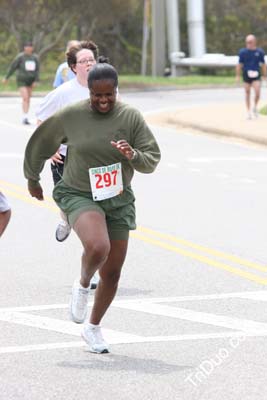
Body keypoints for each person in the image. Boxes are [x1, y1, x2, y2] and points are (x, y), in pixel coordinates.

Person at [24, 62, 161, 353]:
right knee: (99, 247)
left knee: (112, 273)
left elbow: (151, 158)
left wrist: (132, 154)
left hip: (118, 198)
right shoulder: (72, 116)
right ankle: (83, 282)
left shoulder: (131, 117)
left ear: (115, 90)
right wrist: (32, 178)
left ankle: (93, 327)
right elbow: (39, 143)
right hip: (79, 193)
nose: (102, 101)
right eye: (96, 95)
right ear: (88, 91)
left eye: (108, 95)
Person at [36, 40, 99, 289]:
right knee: (71, 210)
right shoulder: (63, 93)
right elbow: (41, 119)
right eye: (83, 61)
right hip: (67, 158)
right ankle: (64, 218)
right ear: (73, 67)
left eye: (91, 60)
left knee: (94, 215)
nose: (88, 64)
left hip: (96, 160)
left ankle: (92, 270)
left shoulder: (106, 87)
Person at [2, 42, 40, 125]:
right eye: (27, 46)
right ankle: (24, 116)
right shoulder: (20, 57)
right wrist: (6, 77)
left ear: (32, 48)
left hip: (31, 80)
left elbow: (37, 70)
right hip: (21, 80)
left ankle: (26, 115)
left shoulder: (35, 58)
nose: (28, 48)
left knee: (28, 98)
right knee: (25, 97)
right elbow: (13, 67)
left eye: (30, 47)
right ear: (24, 48)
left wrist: (36, 80)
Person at [236, 34, 267, 119]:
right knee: (247, 92)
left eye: (250, 42)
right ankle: (248, 111)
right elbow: (239, 64)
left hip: (256, 73)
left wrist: (265, 75)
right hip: (246, 74)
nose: (248, 44)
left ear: (254, 42)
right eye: (247, 42)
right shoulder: (243, 52)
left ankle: (255, 107)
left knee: (257, 92)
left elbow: (263, 64)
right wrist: (238, 75)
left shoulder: (259, 52)